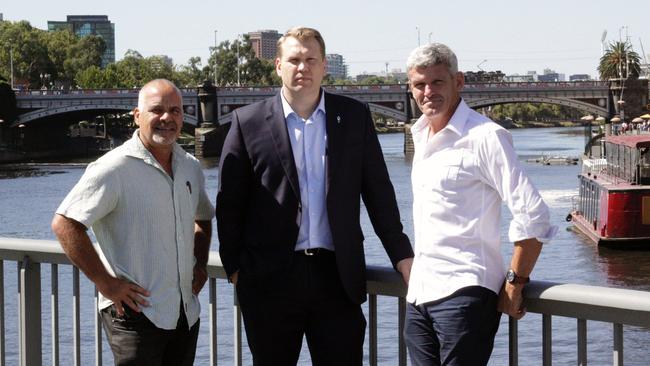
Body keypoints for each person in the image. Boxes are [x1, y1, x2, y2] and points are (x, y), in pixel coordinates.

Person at [216, 26, 414, 365]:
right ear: (278, 65)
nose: (302, 67)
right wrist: (235, 267)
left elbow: (379, 193)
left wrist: (402, 257)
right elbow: (229, 201)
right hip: (270, 282)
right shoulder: (247, 122)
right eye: (294, 59)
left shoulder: (353, 117)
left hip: (337, 277)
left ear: (324, 66)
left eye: (311, 60)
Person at [403, 43, 557, 365]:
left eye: (437, 82)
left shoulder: (486, 137)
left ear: (458, 81)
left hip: (464, 295)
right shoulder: (421, 135)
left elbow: (533, 214)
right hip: (419, 295)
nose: (428, 91)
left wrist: (515, 282)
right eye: (420, 84)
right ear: (410, 88)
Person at [51, 79, 214, 365]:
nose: (167, 118)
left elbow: (203, 217)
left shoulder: (189, 165)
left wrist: (199, 264)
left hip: (184, 313)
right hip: (135, 315)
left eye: (175, 111)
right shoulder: (114, 168)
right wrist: (107, 284)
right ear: (137, 116)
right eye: (157, 110)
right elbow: (65, 224)